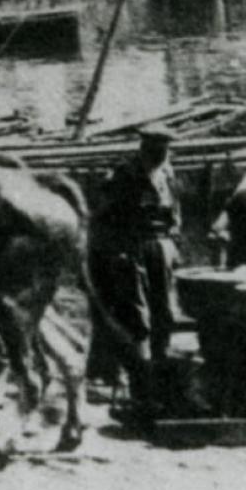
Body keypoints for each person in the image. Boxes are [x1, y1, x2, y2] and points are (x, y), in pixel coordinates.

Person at [91, 127, 182, 417]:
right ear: (144, 148)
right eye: (156, 148)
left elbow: (177, 214)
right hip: (132, 248)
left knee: (166, 313)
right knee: (136, 315)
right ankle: (140, 387)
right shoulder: (124, 177)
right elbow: (103, 218)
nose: (162, 154)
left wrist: (172, 244)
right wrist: (115, 252)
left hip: (162, 247)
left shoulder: (168, 175)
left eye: (165, 149)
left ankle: (163, 382)